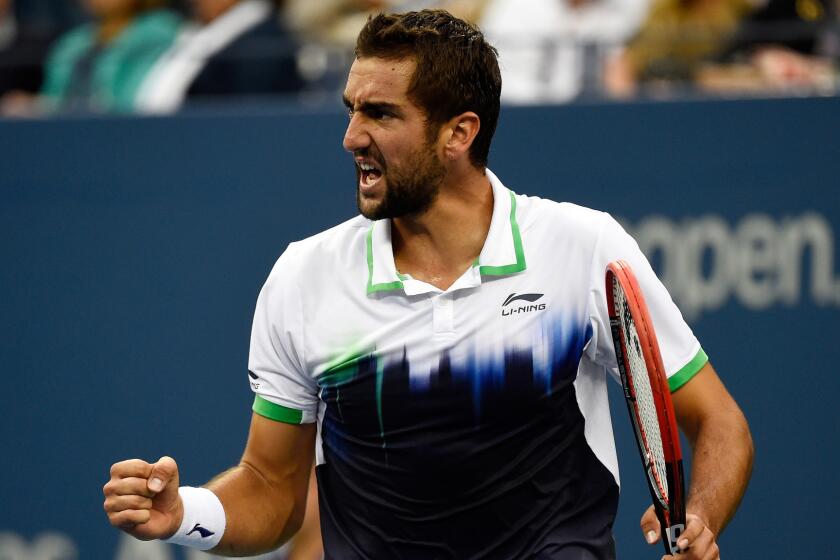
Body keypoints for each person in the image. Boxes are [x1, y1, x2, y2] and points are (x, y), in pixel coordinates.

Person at [103, 9, 753, 559]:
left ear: (458, 134)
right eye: (351, 109)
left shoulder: (582, 247)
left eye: (381, 115)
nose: (351, 136)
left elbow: (720, 422)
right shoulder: (304, 276)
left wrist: (699, 520)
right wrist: (185, 512)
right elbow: (272, 489)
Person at [38, 0, 181, 112]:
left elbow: (132, 102)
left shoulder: (158, 33)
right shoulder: (70, 43)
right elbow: (51, 100)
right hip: (63, 133)